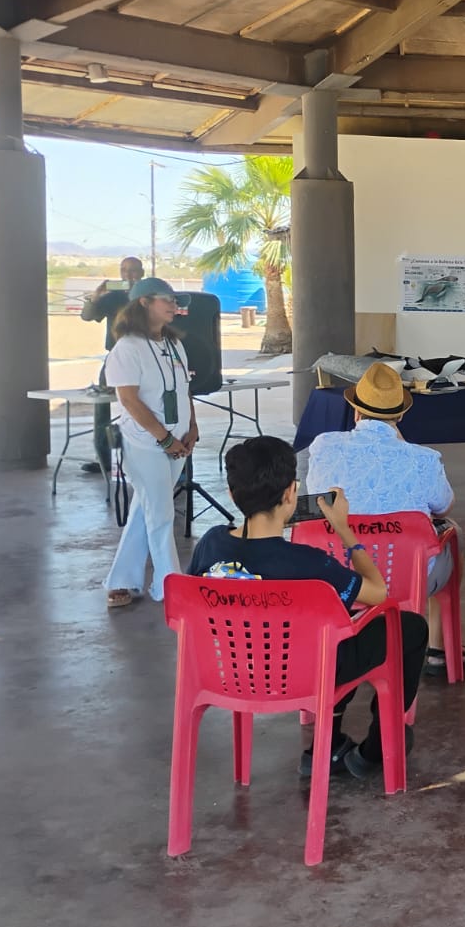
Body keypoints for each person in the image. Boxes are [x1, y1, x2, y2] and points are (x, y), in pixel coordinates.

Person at [189, 436, 429, 779]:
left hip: (230, 670)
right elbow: (378, 592)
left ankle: (328, 745)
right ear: (291, 494)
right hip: (305, 673)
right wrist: (345, 531)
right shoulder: (310, 564)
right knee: (408, 627)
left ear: (232, 495)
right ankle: (377, 746)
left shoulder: (210, 545)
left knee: (331, 631)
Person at [305, 361, 465, 677]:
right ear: (401, 415)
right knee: (452, 532)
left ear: (355, 411)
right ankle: (436, 645)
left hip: (339, 571)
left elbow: (318, 498)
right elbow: (444, 506)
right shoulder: (422, 459)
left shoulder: (324, 447)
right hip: (407, 576)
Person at [102, 278, 197, 608]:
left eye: (174, 300)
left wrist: (192, 429)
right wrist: (166, 438)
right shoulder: (126, 349)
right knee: (161, 514)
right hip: (147, 444)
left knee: (148, 509)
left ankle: (121, 581)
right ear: (143, 303)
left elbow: (185, 391)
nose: (173, 305)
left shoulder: (173, 344)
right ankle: (170, 586)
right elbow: (129, 400)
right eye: (165, 300)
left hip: (178, 442)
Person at [79, 256, 144, 475]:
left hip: (146, 357)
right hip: (115, 356)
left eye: (133, 271)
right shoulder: (114, 297)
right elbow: (87, 316)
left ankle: (144, 454)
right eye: (124, 271)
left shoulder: (148, 296)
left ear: (141, 273)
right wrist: (97, 294)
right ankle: (103, 459)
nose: (128, 275)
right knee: (102, 406)